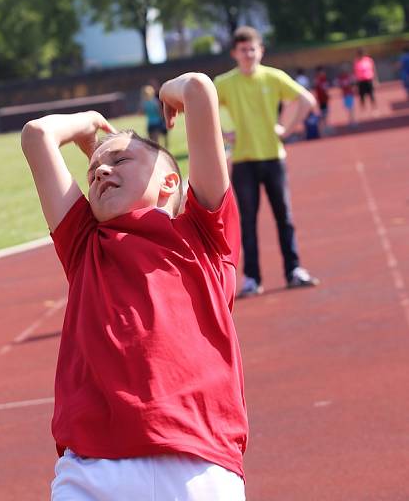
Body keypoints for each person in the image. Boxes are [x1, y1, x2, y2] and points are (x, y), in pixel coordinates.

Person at [21, 72, 248, 500]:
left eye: (121, 161)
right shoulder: (85, 245)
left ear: (169, 183)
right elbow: (37, 135)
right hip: (91, 469)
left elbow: (199, 89)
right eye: (92, 172)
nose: (101, 170)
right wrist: (89, 122)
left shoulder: (204, 235)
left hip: (197, 462)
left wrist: (168, 94)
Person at [214, 26, 319, 297]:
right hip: (244, 160)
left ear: (260, 50)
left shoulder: (274, 77)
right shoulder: (225, 83)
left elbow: (306, 100)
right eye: (243, 50)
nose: (248, 54)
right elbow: (202, 106)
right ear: (234, 53)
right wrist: (223, 132)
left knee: (284, 217)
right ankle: (251, 278)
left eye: (252, 49)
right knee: (247, 221)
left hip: (274, 158)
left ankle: (294, 270)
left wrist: (287, 128)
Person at [313, 65, 330, 133]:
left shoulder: (323, 79)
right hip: (321, 99)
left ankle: (325, 125)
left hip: (324, 98)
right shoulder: (318, 79)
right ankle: (323, 126)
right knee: (323, 113)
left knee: (325, 112)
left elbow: (326, 88)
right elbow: (320, 88)